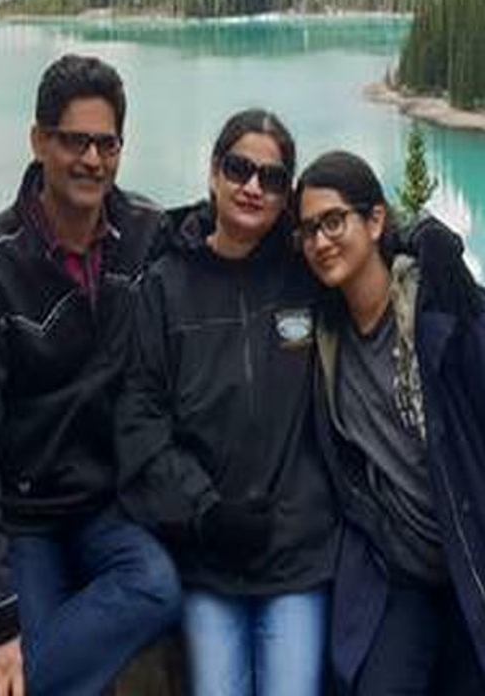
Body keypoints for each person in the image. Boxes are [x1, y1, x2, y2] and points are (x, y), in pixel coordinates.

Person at [294, 150, 485, 696]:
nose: (321, 241)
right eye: (309, 229)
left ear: (376, 220)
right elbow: (239, 236)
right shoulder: (324, 335)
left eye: (334, 220)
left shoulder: (448, 311)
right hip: (405, 577)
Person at [0, 54, 181, 696]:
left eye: (107, 144)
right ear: (40, 141)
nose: (92, 160)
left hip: (106, 508)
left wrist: (380, 242)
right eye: (75, 141)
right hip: (25, 519)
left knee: (156, 584)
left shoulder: (146, 235)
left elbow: (237, 233)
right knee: (24, 668)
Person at [117, 109, 337, 696]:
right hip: (208, 559)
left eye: (271, 178)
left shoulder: (307, 273)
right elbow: (140, 424)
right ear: (213, 172)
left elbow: (363, 241)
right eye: (239, 168)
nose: (252, 187)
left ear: (285, 196)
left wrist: (418, 238)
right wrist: (206, 512)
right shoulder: (165, 286)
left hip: (297, 557)